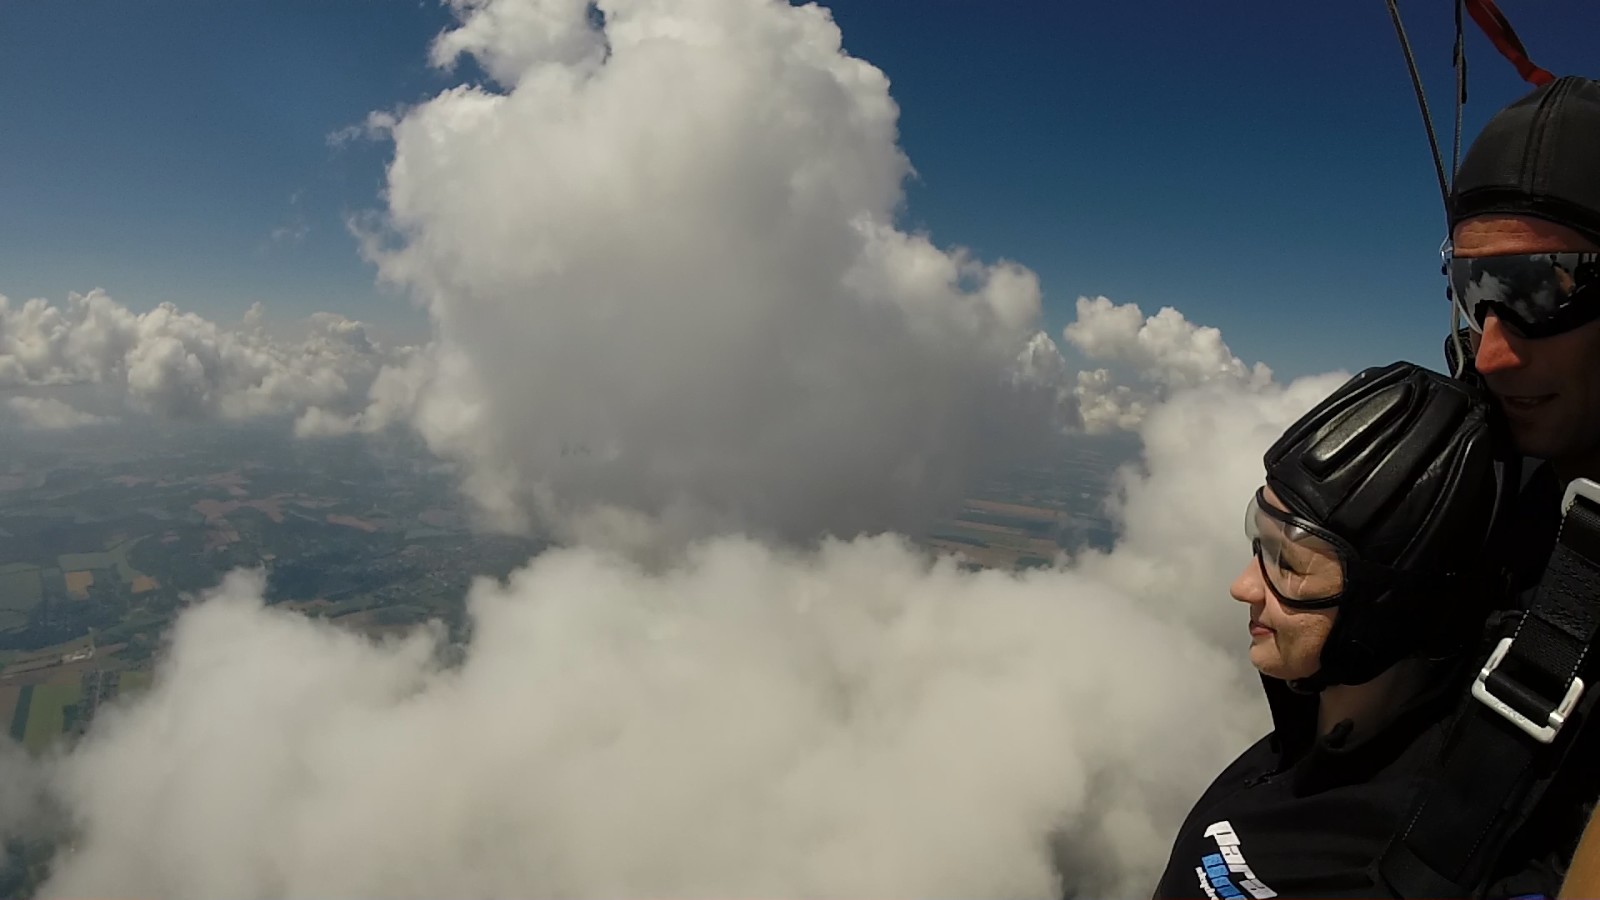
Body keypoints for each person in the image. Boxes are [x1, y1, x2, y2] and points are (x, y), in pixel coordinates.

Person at [1151, 360, 1510, 900]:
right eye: (1259, 543)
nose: (1243, 586)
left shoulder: (1403, 852)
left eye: (1288, 564)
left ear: (1384, 607)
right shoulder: (1302, 746)